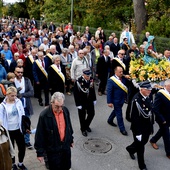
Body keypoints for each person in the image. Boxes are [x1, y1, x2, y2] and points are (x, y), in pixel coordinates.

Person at [34, 92, 74, 170]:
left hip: (65, 147)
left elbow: (69, 126)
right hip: (53, 150)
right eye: (56, 107)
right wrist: (40, 153)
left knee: (66, 166)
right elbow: (40, 135)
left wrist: (70, 139)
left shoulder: (65, 111)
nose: (59, 109)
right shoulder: (44, 115)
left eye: (61, 106)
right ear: (51, 103)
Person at [126, 81, 154, 170]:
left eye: (150, 89)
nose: (150, 91)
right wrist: (138, 133)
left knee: (144, 141)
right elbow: (134, 118)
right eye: (148, 90)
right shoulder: (136, 100)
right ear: (141, 89)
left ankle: (130, 149)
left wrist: (151, 126)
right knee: (141, 147)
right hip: (138, 127)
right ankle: (142, 166)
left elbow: (150, 113)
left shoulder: (148, 97)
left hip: (146, 126)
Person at [0, 86, 28, 170]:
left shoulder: (18, 102)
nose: (14, 97)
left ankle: (20, 163)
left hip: (18, 129)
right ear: (7, 95)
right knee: (11, 149)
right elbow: (1, 118)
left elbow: (22, 114)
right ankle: (13, 164)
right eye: (12, 96)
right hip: (9, 130)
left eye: (15, 95)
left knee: (22, 147)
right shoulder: (2, 105)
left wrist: (25, 126)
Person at [14, 66, 34, 149]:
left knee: (26, 124)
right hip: (16, 108)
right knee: (17, 125)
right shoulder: (12, 81)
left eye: (21, 72)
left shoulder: (26, 80)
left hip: (26, 106)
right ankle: (19, 141)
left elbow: (31, 92)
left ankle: (27, 141)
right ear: (15, 72)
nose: (20, 74)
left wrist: (21, 95)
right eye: (18, 72)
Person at [149, 79, 170, 159]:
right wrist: (162, 120)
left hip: (168, 118)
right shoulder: (160, 94)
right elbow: (155, 108)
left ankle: (153, 140)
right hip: (162, 119)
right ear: (165, 86)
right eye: (169, 87)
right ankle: (168, 152)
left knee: (162, 131)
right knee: (166, 135)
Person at [73, 68, 96, 137]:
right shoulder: (79, 81)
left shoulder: (91, 79)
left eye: (89, 75)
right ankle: (83, 129)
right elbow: (76, 94)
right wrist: (78, 104)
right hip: (82, 101)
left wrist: (94, 99)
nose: (88, 77)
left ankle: (86, 125)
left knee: (92, 114)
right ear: (83, 74)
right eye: (87, 76)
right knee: (82, 116)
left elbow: (92, 90)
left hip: (90, 100)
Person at [107, 66, 128, 136]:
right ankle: (122, 129)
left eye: (122, 72)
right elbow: (109, 91)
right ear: (115, 72)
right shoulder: (111, 80)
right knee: (119, 114)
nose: (122, 73)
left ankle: (110, 120)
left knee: (116, 111)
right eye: (120, 72)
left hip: (122, 99)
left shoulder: (123, 78)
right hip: (115, 100)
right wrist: (109, 102)